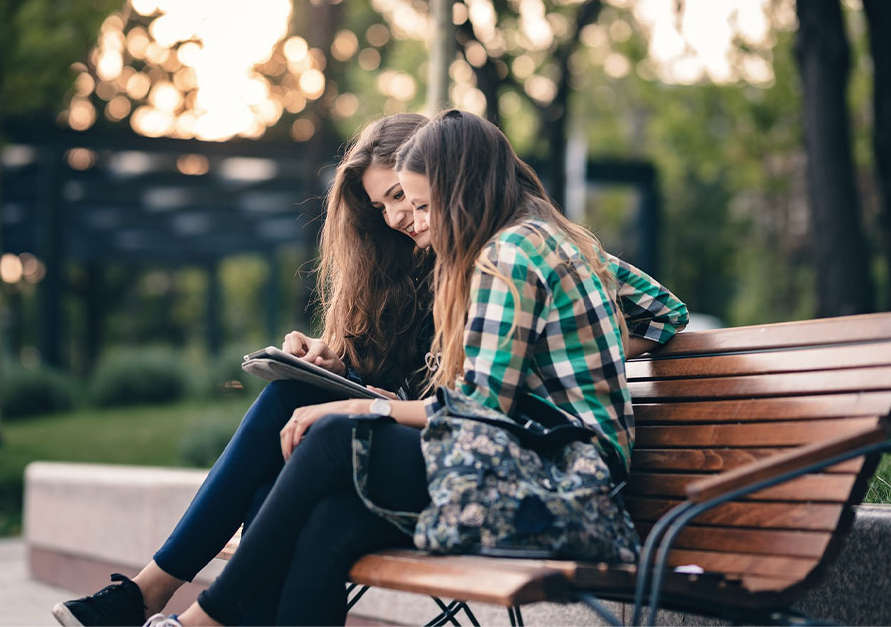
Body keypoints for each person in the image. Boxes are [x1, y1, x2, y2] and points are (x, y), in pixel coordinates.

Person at [139, 109, 688, 627]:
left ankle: (203, 620)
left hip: (562, 483)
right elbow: (486, 402)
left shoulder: (510, 253)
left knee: (331, 438)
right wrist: (565, 350)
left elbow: (477, 408)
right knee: (329, 519)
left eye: (420, 204)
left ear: (461, 188)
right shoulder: (531, 240)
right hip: (537, 464)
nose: (411, 222)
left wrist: (362, 406)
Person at [51, 113, 435, 627]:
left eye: (400, 195)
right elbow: (401, 373)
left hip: (441, 456)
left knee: (288, 410)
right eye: (381, 205)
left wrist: (376, 404)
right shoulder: (405, 262)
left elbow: (465, 400)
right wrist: (336, 362)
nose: (394, 217)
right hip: (397, 442)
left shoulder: (477, 261)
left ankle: (150, 595)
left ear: (435, 171)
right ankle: (149, 596)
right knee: (274, 460)